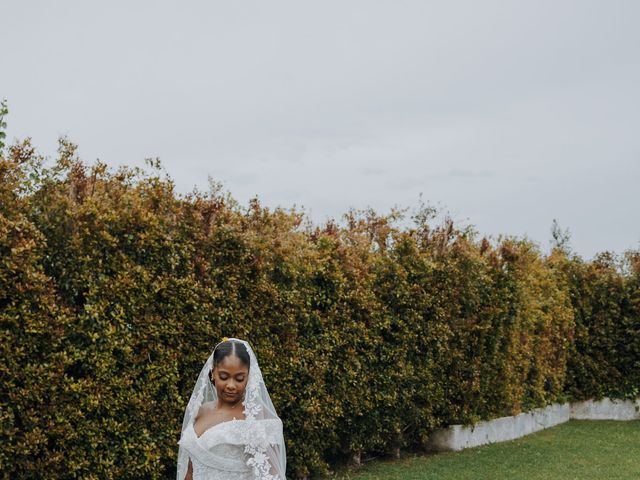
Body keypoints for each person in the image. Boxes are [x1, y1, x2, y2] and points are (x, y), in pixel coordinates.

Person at [177, 338, 287, 480]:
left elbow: (272, 475)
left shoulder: (258, 418)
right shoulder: (200, 411)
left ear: (249, 377)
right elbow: (190, 472)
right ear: (213, 373)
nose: (231, 385)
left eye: (239, 379)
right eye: (223, 377)